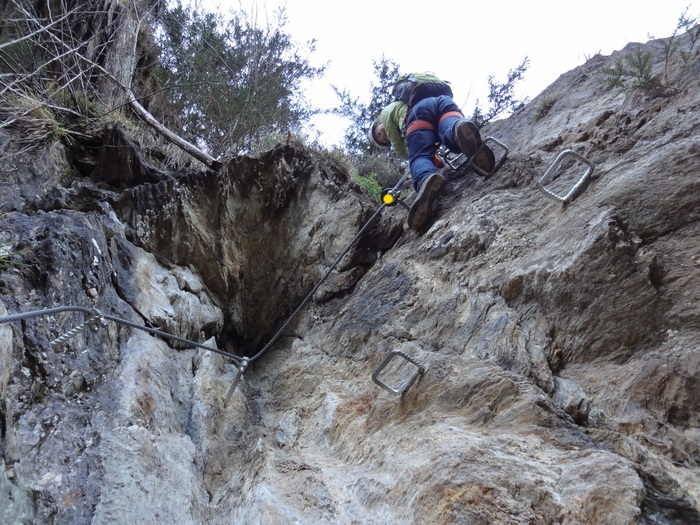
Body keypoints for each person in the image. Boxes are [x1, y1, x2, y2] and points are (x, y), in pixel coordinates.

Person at [369, 94, 495, 231]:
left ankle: (425, 179)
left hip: (419, 114)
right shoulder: (405, 101)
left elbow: (401, 149)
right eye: (383, 141)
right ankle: (458, 129)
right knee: (450, 132)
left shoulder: (386, 113)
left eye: (378, 133)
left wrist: (413, 152)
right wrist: (436, 159)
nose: (384, 136)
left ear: (378, 122)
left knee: (419, 156)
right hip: (444, 103)